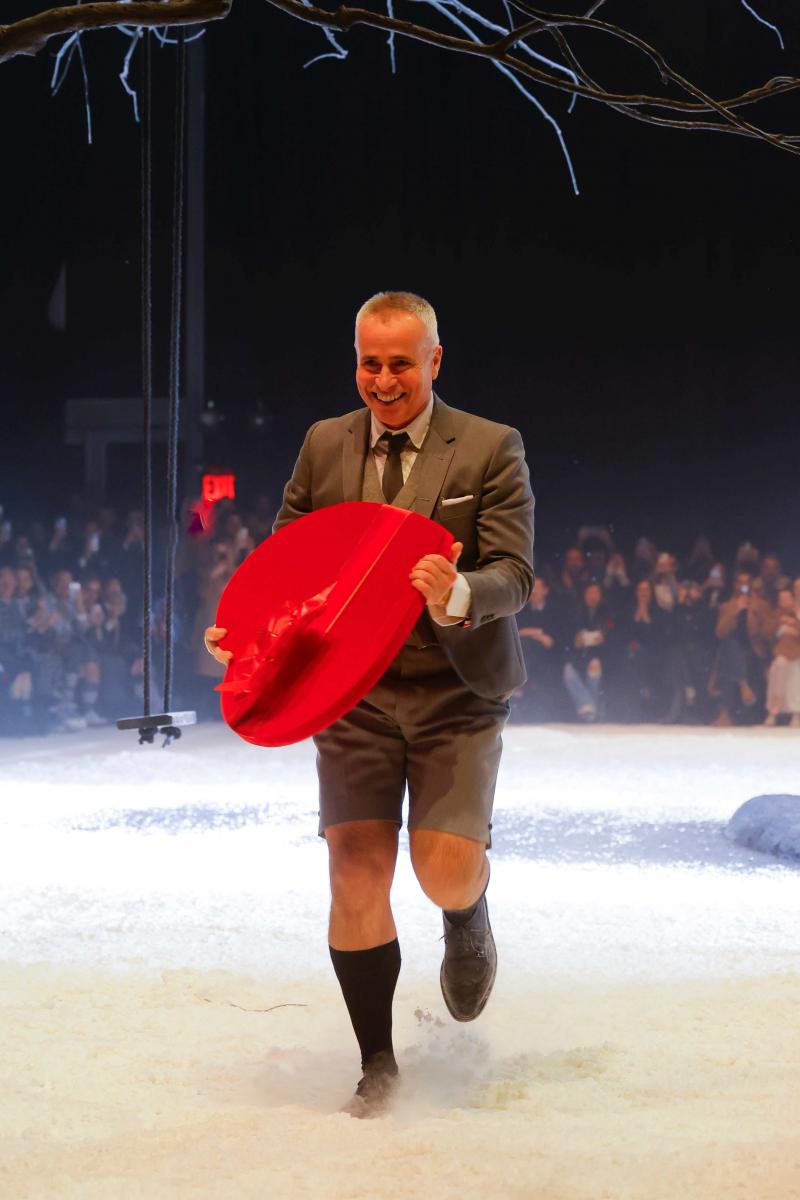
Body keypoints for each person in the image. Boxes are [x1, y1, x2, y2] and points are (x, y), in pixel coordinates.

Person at [204, 292, 534, 1117]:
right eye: (369, 363)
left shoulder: (490, 445)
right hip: (350, 696)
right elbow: (286, 564)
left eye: (400, 364)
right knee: (354, 871)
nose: (383, 381)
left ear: (434, 361)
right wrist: (247, 635)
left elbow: (515, 575)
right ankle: (377, 1063)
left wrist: (459, 591)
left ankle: (467, 913)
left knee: (442, 870)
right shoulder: (325, 443)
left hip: (456, 693)